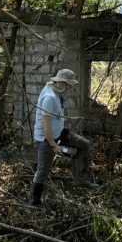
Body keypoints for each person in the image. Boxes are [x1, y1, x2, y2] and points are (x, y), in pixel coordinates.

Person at [30, 68, 98, 206]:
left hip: (59, 133)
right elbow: (44, 123)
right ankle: (34, 204)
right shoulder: (50, 97)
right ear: (62, 83)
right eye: (69, 84)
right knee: (43, 171)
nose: (70, 87)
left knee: (84, 144)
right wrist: (53, 144)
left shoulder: (55, 90)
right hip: (46, 139)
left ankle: (80, 179)